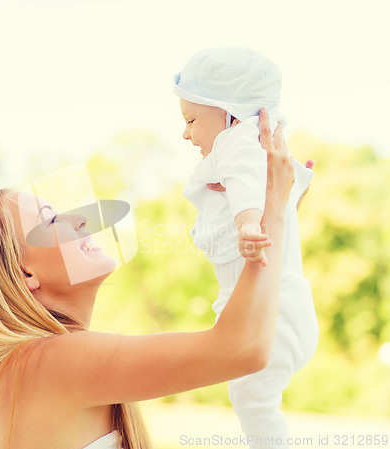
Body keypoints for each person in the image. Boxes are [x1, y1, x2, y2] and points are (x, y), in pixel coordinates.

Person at [0, 109, 295, 449]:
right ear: (24, 274)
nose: (80, 220)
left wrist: (271, 215)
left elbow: (245, 339)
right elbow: (242, 347)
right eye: (51, 220)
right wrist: (272, 209)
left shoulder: (33, 368)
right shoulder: (46, 362)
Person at [173, 47, 318, 448]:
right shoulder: (260, 146)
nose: (185, 134)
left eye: (190, 120)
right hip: (285, 309)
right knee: (254, 401)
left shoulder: (237, 142)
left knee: (254, 405)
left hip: (270, 315)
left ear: (230, 115)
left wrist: (248, 223)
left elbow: (243, 184)